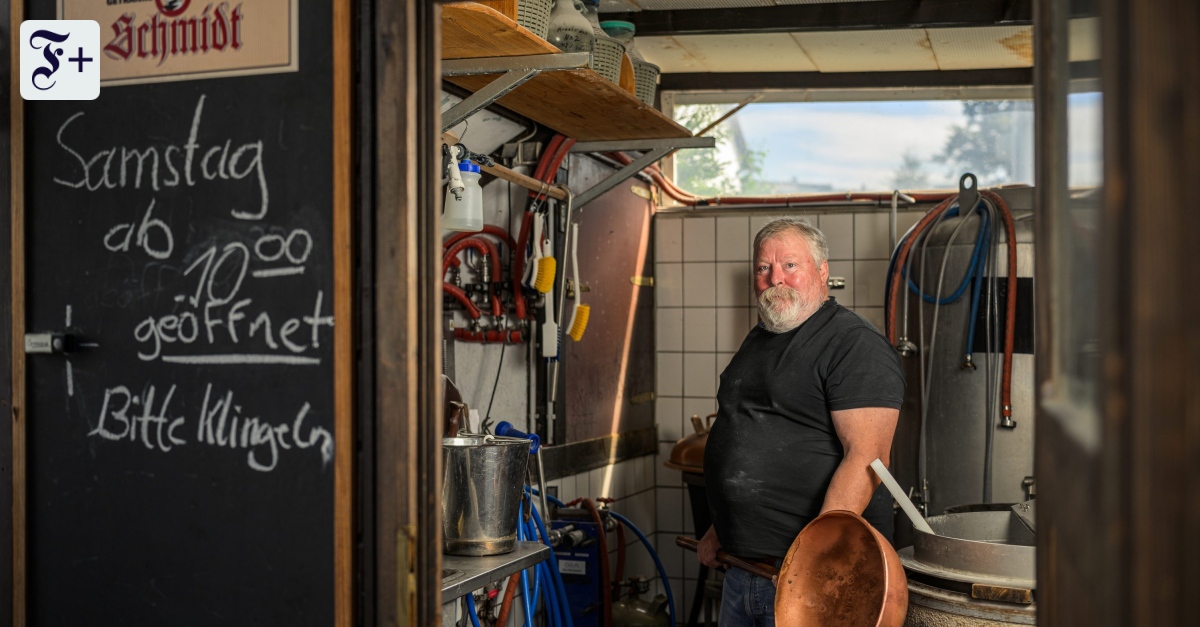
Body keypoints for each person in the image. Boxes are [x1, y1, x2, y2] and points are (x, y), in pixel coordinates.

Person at [697, 217, 904, 627]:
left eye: (790, 265)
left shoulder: (853, 343)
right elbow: (747, 427)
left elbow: (868, 458)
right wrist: (721, 528)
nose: (776, 279)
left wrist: (811, 564)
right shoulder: (761, 338)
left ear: (822, 270)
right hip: (744, 570)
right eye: (763, 268)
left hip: (813, 580)